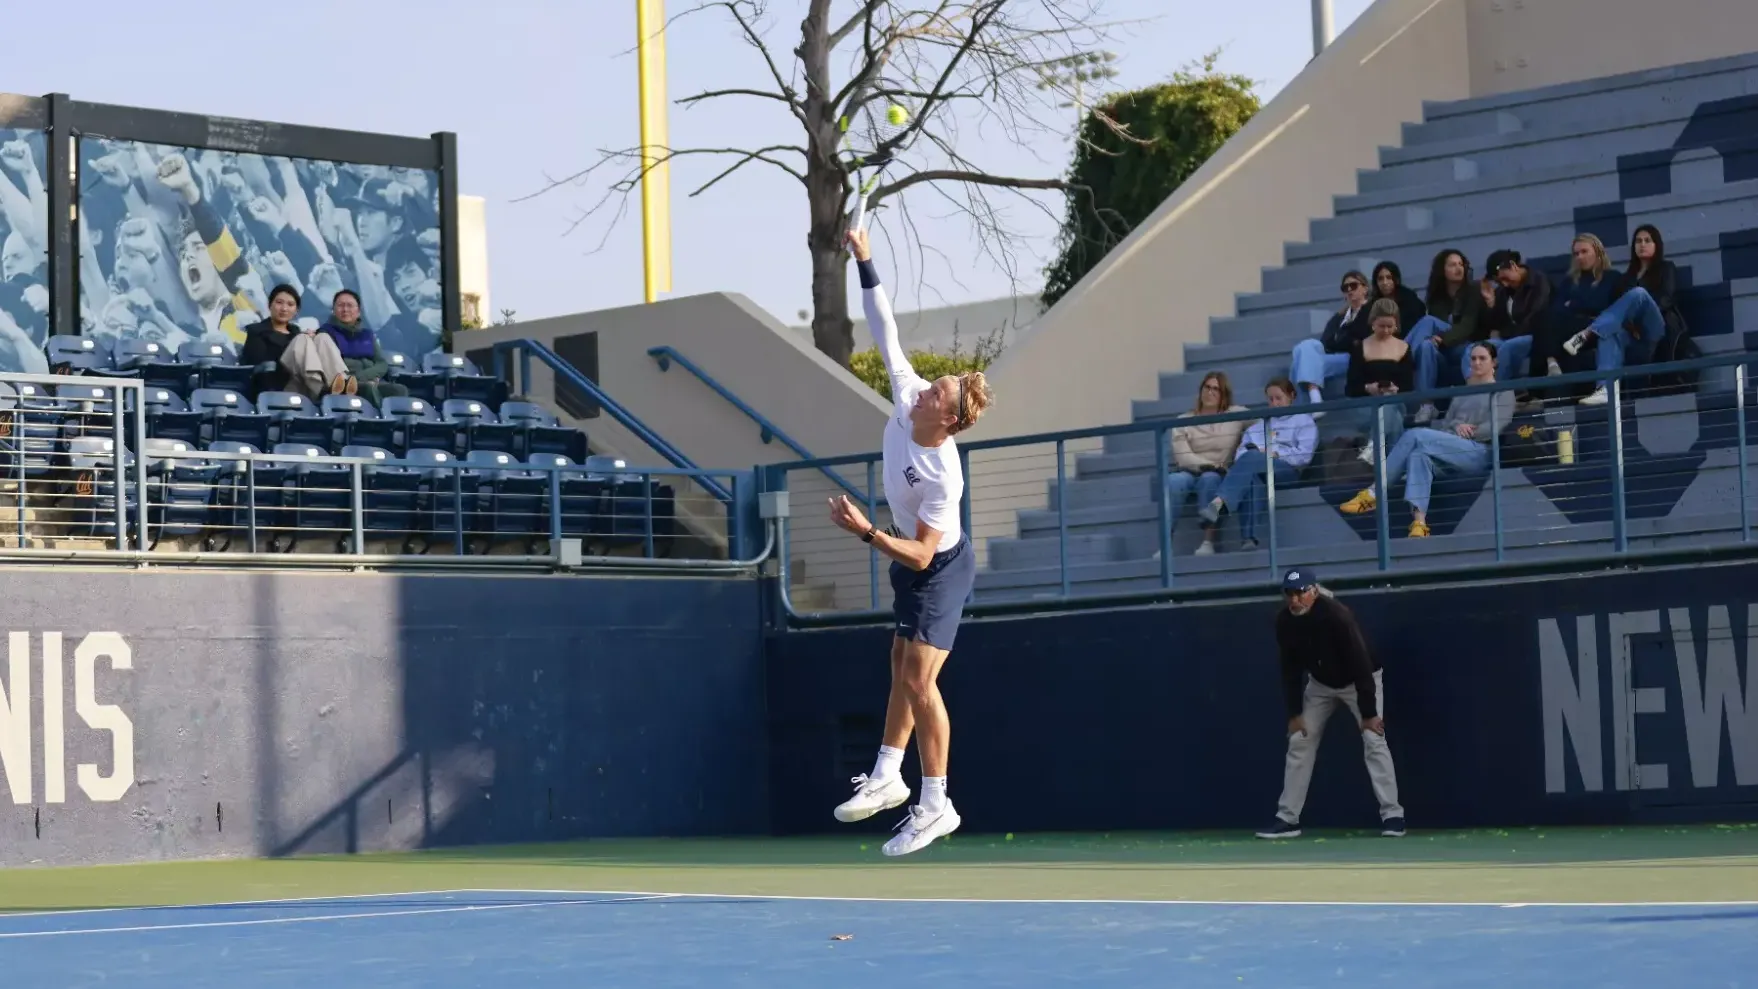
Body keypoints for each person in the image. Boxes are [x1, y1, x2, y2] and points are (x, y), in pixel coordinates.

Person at [827, 227, 993, 857]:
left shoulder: (943, 475)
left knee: (922, 683)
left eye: (937, 392)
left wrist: (867, 531)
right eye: (932, 384)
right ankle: (888, 776)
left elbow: (924, 555)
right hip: (914, 561)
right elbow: (883, 326)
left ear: (947, 418)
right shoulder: (906, 399)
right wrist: (865, 259)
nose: (924, 387)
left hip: (941, 567)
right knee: (899, 669)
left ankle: (936, 803)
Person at [1256, 568, 1405, 839]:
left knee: (1374, 740)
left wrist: (1369, 714)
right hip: (1321, 685)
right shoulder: (1284, 621)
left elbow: (1361, 664)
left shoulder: (1337, 615)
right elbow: (1289, 668)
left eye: (1301, 592)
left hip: (1361, 680)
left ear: (1313, 591)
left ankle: (1393, 814)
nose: (1295, 600)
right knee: (1299, 740)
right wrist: (1294, 713)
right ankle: (1287, 819)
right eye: (1290, 594)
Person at [1338, 343, 1513, 537]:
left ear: (1494, 362)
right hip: (1452, 450)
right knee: (1418, 455)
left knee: (1415, 434)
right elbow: (1447, 425)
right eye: (1473, 359)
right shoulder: (1462, 391)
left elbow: (1496, 426)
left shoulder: (1504, 391)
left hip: (1480, 452)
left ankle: (1374, 492)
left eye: (1482, 358)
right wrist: (1457, 426)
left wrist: (1469, 432)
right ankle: (1419, 524)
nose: (1477, 363)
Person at [1197, 377, 1317, 553]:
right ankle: (1249, 539)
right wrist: (1260, 455)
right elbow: (1240, 455)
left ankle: (1219, 502)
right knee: (1252, 475)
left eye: (1278, 398)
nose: (1274, 403)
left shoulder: (1304, 421)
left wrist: (1275, 454)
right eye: (1270, 399)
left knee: (1253, 458)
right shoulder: (1258, 426)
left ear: (1292, 396)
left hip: (1286, 471)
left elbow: (1304, 456)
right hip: (1258, 469)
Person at [1165, 371, 1248, 556]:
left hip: (1217, 473)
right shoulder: (1184, 420)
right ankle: (1165, 543)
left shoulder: (1235, 415)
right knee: (1173, 482)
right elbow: (1182, 456)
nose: (1210, 392)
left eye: (1216, 389)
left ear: (1223, 394)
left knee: (1210, 480)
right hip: (1188, 470)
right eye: (1207, 387)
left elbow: (1265, 421)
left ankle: (1207, 542)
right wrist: (1208, 464)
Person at [1405, 248, 1484, 423]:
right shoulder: (1437, 296)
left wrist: (1442, 339)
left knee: (1428, 322)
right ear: (1443, 270)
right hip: (1441, 350)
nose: (1458, 268)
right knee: (1425, 346)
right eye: (1452, 265)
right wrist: (1437, 340)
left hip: (1463, 346)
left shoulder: (1473, 290)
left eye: (1460, 264)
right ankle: (1426, 405)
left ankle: (1403, 356)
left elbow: (1467, 326)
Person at [1345, 298, 1414, 465]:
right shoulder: (1360, 347)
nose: (1386, 330)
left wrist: (1395, 389)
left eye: (1390, 326)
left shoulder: (1403, 347)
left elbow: (1408, 386)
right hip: (1365, 406)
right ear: (1373, 323)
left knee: (1389, 404)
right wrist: (1369, 388)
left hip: (1395, 402)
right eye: (1382, 326)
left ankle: (1373, 448)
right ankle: (1398, 466)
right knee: (1394, 419)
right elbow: (1351, 387)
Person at [1289, 271, 1370, 406]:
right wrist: (1342, 339)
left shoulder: (1371, 309)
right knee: (1305, 348)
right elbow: (1326, 341)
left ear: (1365, 288)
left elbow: (1359, 338)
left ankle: (1300, 410)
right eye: (1345, 288)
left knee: (1298, 363)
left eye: (1353, 286)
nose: (1349, 290)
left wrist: (1341, 340)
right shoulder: (1340, 316)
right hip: (1335, 355)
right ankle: (1314, 397)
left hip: (1355, 358)